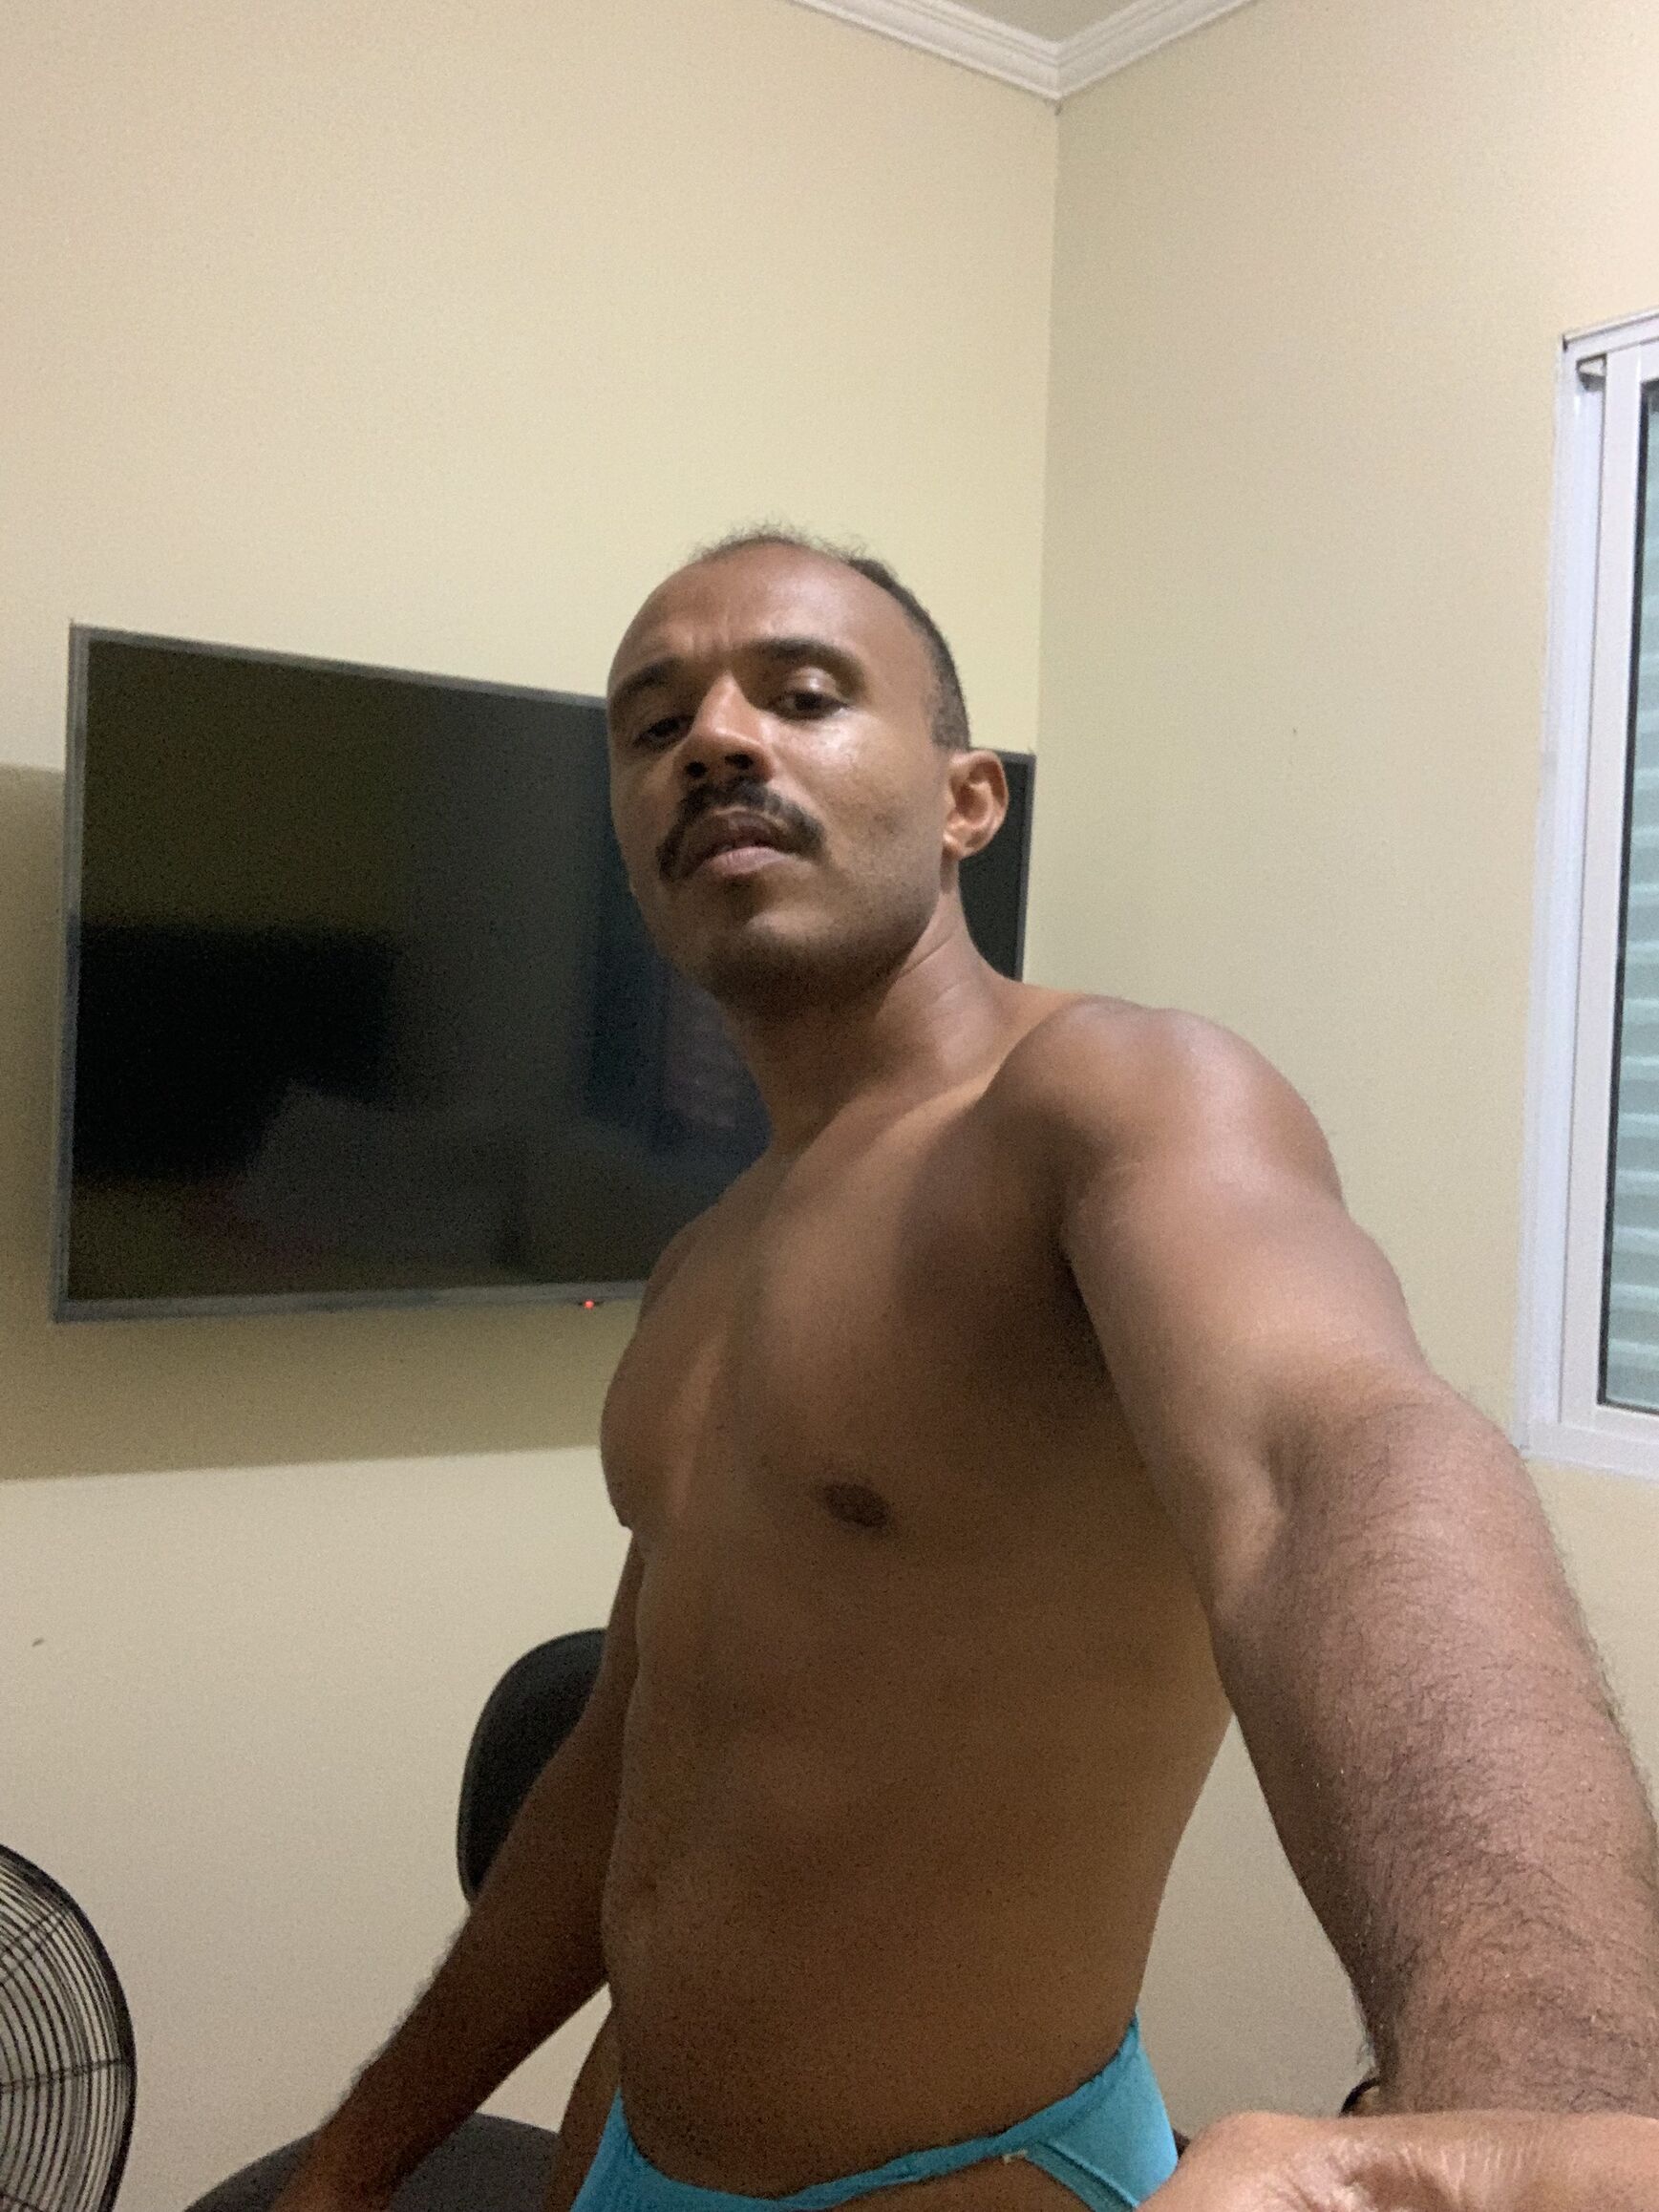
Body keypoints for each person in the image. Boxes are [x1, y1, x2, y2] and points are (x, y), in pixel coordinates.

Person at [270, 531, 1659, 2212]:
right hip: (624, 2147)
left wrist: (1546, 2110)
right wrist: (352, 2163)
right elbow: (625, 1757)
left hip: (963, 2174)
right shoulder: (701, 1258)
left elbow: (1330, 1465)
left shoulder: (1108, 1103)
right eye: (653, 724)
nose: (715, 739)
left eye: (802, 694)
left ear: (965, 800)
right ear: (630, 843)